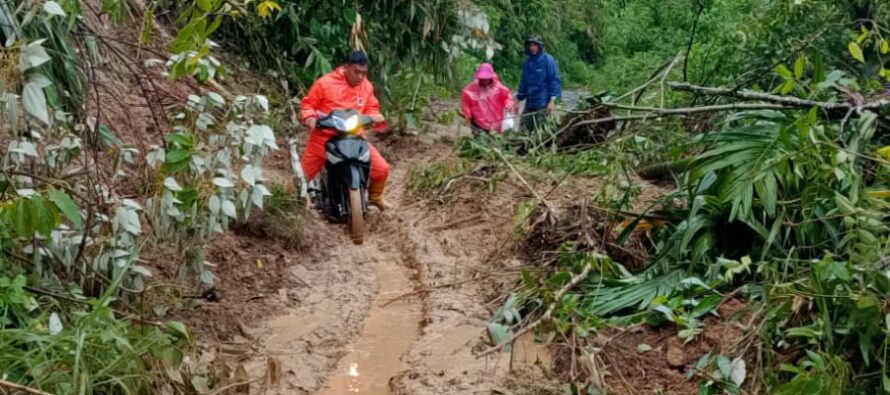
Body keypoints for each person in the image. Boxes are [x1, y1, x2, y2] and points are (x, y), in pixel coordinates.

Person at [299, 50, 390, 210]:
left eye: (364, 73)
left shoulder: (366, 86)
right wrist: (309, 117)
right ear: (346, 67)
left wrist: (375, 116)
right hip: (324, 137)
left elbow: (371, 107)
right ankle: (290, 203)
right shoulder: (325, 83)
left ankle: (375, 197)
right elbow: (308, 104)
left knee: (382, 169)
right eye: (356, 72)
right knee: (302, 175)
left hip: (354, 137)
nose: (360, 77)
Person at [516, 35, 562, 132]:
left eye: (535, 45)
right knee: (523, 130)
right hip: (530, 102)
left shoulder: (548, 60)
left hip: (543, 102)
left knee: (540, 131)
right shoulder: (527, 63)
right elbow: (523, 82)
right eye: (530, 45)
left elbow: (554, 80)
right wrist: (518, 100)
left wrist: (552, 101)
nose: (532, 47)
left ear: (539, 46)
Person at [460, 63, 515, 134]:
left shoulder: (498, 88)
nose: (484, 81)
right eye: (482, 79)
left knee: (494, 141)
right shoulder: (472, 89)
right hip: (478, 123)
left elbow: (507, 97)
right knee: (480, 142)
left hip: (496, 123)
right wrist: (467, 114)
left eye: (486, 79)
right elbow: (465, 102)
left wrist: (508, 105)